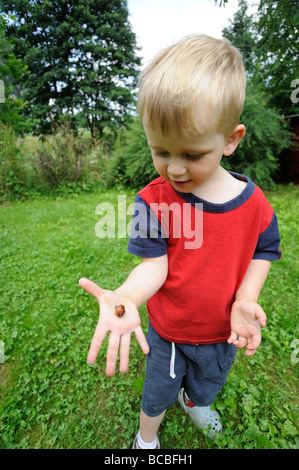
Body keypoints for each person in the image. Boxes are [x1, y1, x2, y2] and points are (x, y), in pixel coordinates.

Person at [79, 34, 281, 449]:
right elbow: (154, 265)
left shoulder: (254, 203)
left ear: (230, 139)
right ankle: (146, 441)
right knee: (156, 396)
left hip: (224, 331)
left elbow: (265, 248)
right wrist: (128, 298)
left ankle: (194, 402)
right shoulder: (153, 201)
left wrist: (246, 296)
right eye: (161, 151)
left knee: (208, 384)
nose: (174, 168)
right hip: (170, 333)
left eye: (191, 154)